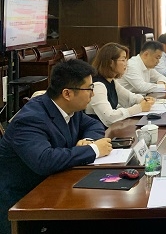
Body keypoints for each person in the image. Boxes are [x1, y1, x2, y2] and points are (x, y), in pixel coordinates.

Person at [0, 59, 112, 234]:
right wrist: (94, 150)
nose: (93, 94)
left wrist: (88, 140)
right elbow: (44, 161)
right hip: (24, 205)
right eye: (89, 88)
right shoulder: (31, 119)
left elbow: (94, 125)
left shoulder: (69, 109)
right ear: (67, 93)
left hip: (55, 189)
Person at [85, 42, 155, 127]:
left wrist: (143, 100)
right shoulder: (97, 85)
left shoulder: (111, 81)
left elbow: (129, 98)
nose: (126, 63)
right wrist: (139, 108)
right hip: (97, 130)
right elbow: (109, 117)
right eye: (123, 60)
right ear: (110, 62)